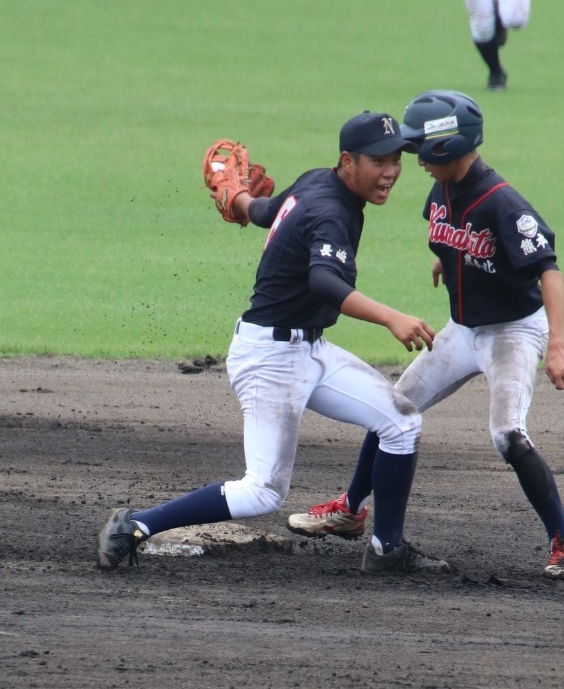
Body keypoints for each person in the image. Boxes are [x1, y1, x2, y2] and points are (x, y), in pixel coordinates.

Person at [97, 110, 450, 576]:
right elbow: (324, 282)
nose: (391, 172)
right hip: (269, 359)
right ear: (348, 161)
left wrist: (239, 198)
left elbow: (266, 211)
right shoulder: (330, 211)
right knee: (263, 491)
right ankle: (136, 525)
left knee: (401, 421)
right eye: (378, 161)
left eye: (396, 160)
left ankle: (388, 549)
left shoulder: (317, 182)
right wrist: (391, 318)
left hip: (308, 351)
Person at [287, 90, 564, 581]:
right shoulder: (444, 189)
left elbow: (547, 269)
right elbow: (456, 235)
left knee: (507, 436)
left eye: (421, 151)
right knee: (392, 406)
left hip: (513, 332)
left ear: (447, 149)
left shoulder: (503, 202)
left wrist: (557, 344)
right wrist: (448, 259)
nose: (413, 161)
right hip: (463, 330)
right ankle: (350, 508)